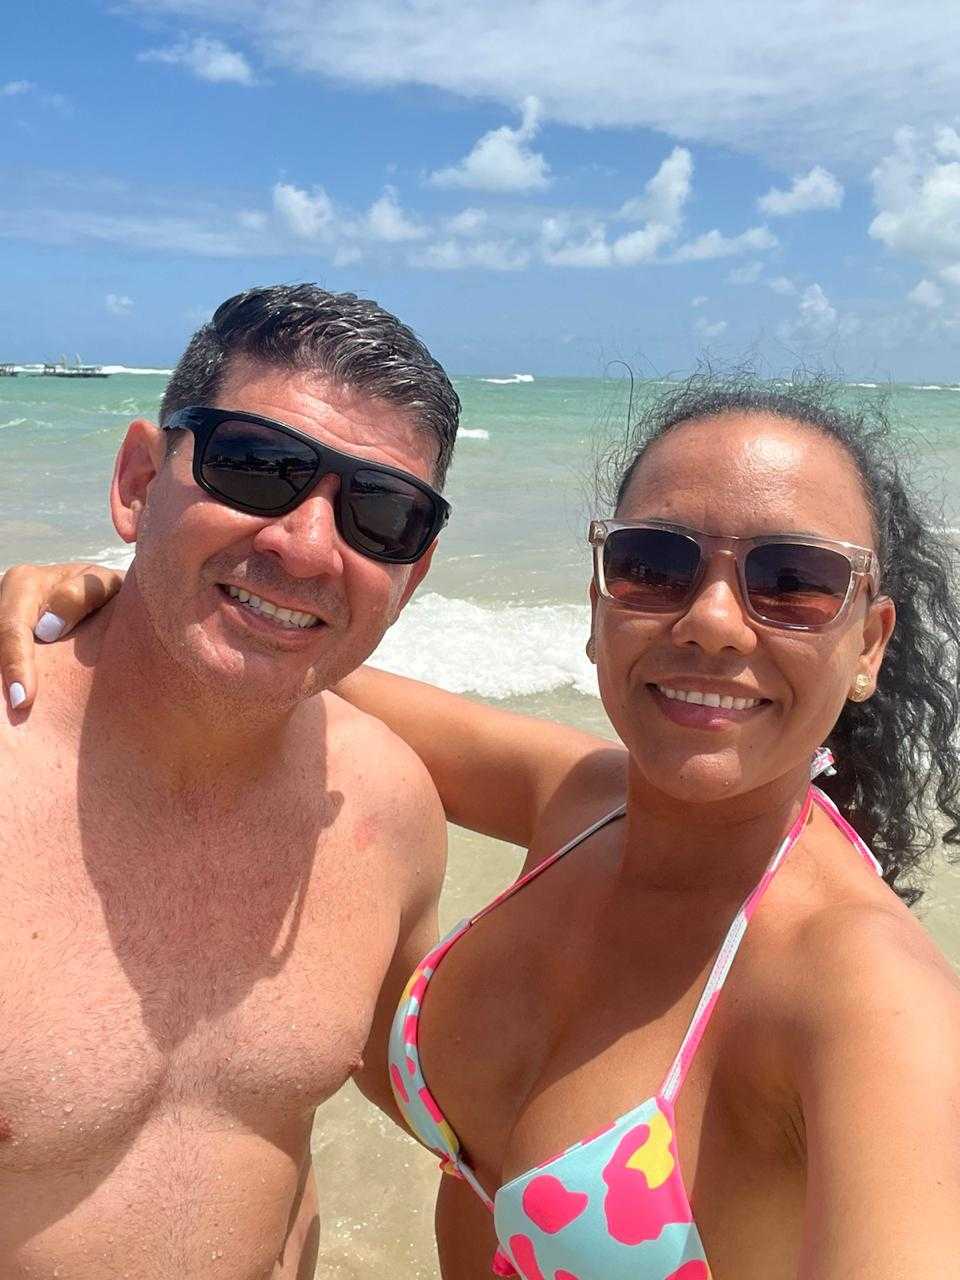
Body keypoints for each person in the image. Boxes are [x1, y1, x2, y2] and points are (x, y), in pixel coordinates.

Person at [5, 381, 960, 1278]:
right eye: (654, 566)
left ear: (868, 643)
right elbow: (294, 653)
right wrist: (138, 592)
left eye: (792, 580)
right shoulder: (587, 804)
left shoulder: (870, 999)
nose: (712, 621)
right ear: (599, 604)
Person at [0, 283, 461, 1279]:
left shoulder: (387, 806)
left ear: (413, 576)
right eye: (255, 465)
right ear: (138, 481)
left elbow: (461, 1118)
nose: (306, 545)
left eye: (381, 513)